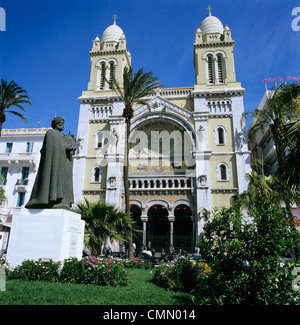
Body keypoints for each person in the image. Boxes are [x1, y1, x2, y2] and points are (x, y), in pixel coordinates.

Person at [26, 117, 76, 209]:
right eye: (60, 122)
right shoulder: (51, 133)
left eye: (63, 123)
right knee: (52, 180)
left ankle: (60, 201)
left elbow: (60, 148)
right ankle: (49, 200)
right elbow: (50, 149)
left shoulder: (62, 136)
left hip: (60, 165)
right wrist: (65, 147)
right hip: (53, 164)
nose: (62, 125)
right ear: (55, 124)